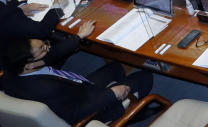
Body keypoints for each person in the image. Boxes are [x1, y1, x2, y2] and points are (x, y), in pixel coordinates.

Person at [3, 24, 158, 125]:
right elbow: (74, 114)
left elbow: (53, 55)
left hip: (76, 90)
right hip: (88, 110)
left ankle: (129, 99)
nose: (49, 48)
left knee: (116, 67)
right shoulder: (47, 90)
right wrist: (111, 94)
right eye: (44, 49)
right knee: (145, 77)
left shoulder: (12, 70)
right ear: (29, 64)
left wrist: (76, 38)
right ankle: (127, 113)